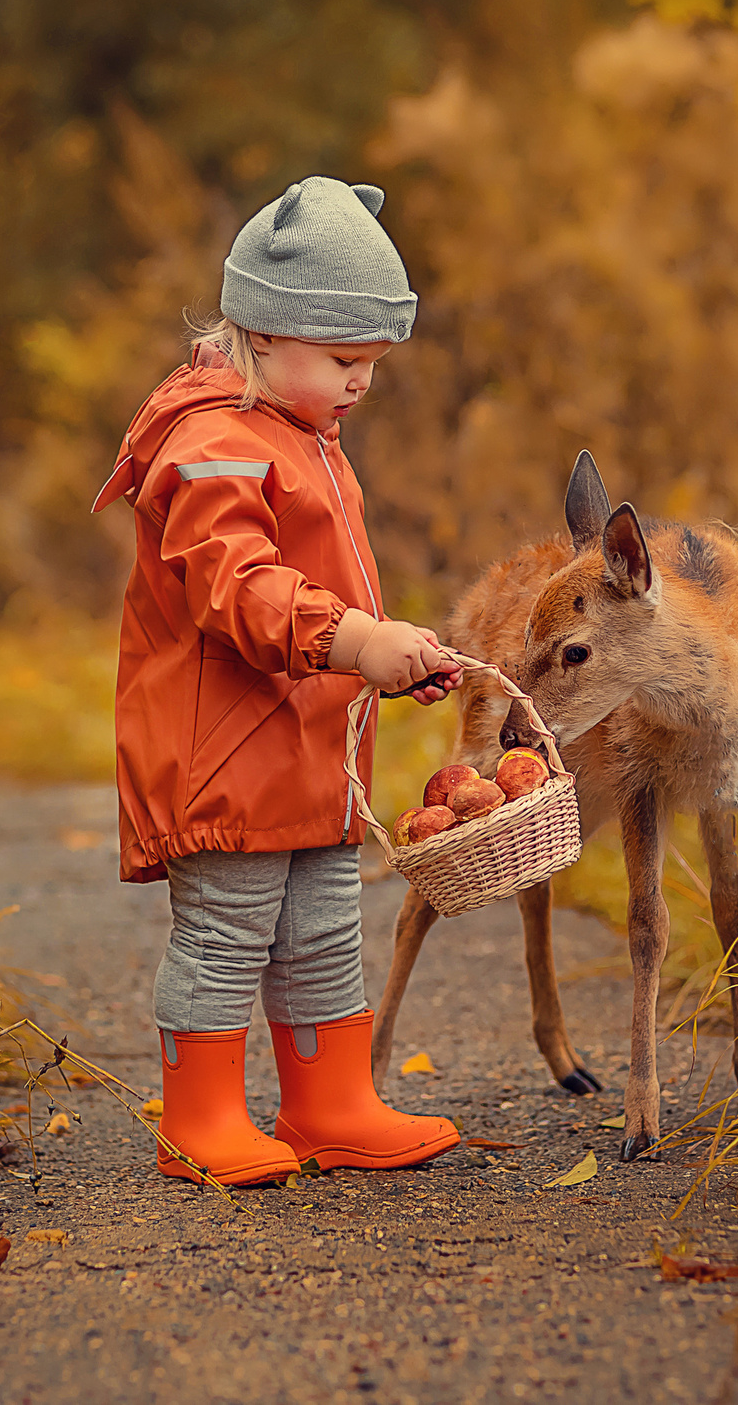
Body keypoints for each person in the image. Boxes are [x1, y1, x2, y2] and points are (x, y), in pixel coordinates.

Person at [90, 175, 466, 1186]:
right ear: (262, 335)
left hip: (307, 748)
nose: (359, 383)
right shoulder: (210, 446)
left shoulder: (298, 436)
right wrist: (353, 641)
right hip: (224, 755)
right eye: (344, 359)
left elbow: (318, 595)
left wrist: (384, 658)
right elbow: (238, 591)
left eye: (371, 364)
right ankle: (199, 1117)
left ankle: (328, 1105)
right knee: (226, 934)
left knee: (322, 927)